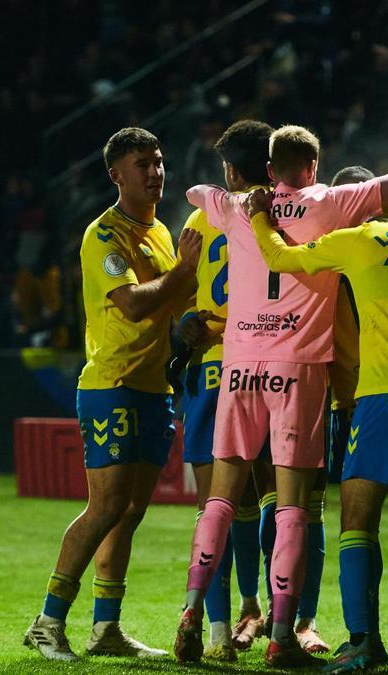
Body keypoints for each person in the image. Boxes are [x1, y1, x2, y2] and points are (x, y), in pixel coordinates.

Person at [173, 124, 388, 668]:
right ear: (313, 166)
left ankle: (192, 612)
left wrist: (243, 200)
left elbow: (195, 193)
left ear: (268, 168)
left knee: (219, 497)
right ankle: (284, 635)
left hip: (238, 366)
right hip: (299, 369)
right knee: (294, 507)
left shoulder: (237, 206)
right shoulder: (331, 204)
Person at [244, 181, 388, 673]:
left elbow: (281, 259)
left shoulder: (359, 239)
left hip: (383, 392)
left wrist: (260, 216)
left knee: (357, 516)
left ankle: (363, 642)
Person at [23, 127, 203, 661]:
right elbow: (130, 304)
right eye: (142, 164)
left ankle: (106, 629)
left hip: (152, 389)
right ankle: (48, 621)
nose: (155, 173)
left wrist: (187, 327)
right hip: (112, 385)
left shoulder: (163, 236)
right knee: (104, 508)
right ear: (116, 175)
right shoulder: (104, 234)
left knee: (129, 513)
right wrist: (186, 274)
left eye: (159, 162)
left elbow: (166, 308)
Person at [173, 119, 276, 661]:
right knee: (279, 503)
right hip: (272, 368)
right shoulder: (287, 213)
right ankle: (277, 618)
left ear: (230, 171)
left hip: (214, 368)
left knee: (215, 503)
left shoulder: (200, 216)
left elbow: (184, 298)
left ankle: (215, 630)